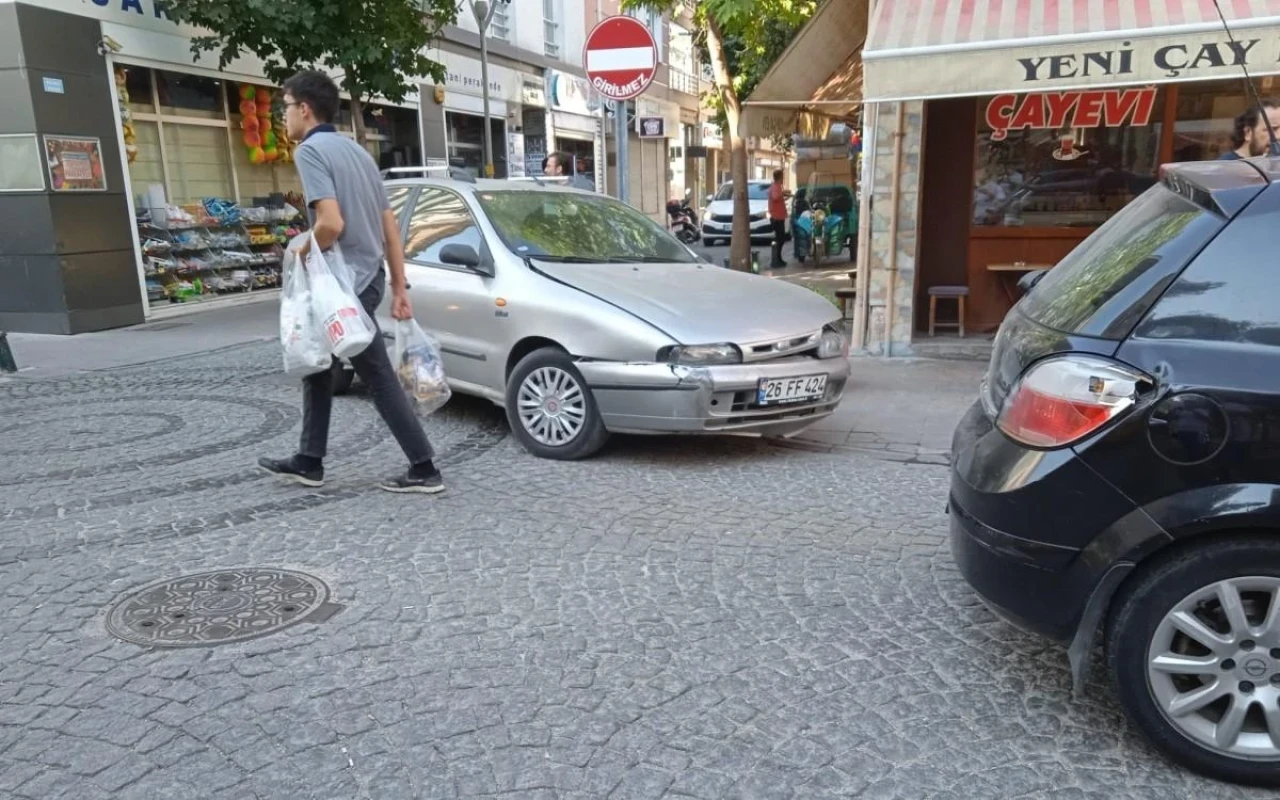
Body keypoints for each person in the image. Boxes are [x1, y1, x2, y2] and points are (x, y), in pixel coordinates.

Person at [258, 70, 444, 494]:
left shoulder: (311, 152)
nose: (282, 116)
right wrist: (398, 287)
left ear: (304, 109)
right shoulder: (358, 153)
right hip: (369, 278)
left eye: (284, 107)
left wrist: (299, 250)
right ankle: (309, 460)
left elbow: (330, 224)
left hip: (342, 286)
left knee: (375, 373)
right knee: (317, 365)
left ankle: (424, 467)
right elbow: (389, 227)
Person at [767, 169, 792, 268]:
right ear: (780, 177)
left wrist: (785, 195)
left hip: (779, 216)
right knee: (780, 239)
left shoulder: (777, 186)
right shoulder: (775, 186)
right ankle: (777, 259)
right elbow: (775, 197)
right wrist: (783, 193)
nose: (783, 179)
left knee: (780, 239)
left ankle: (779, 258)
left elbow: (778, 198)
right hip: (777, 217)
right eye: (782, 177)